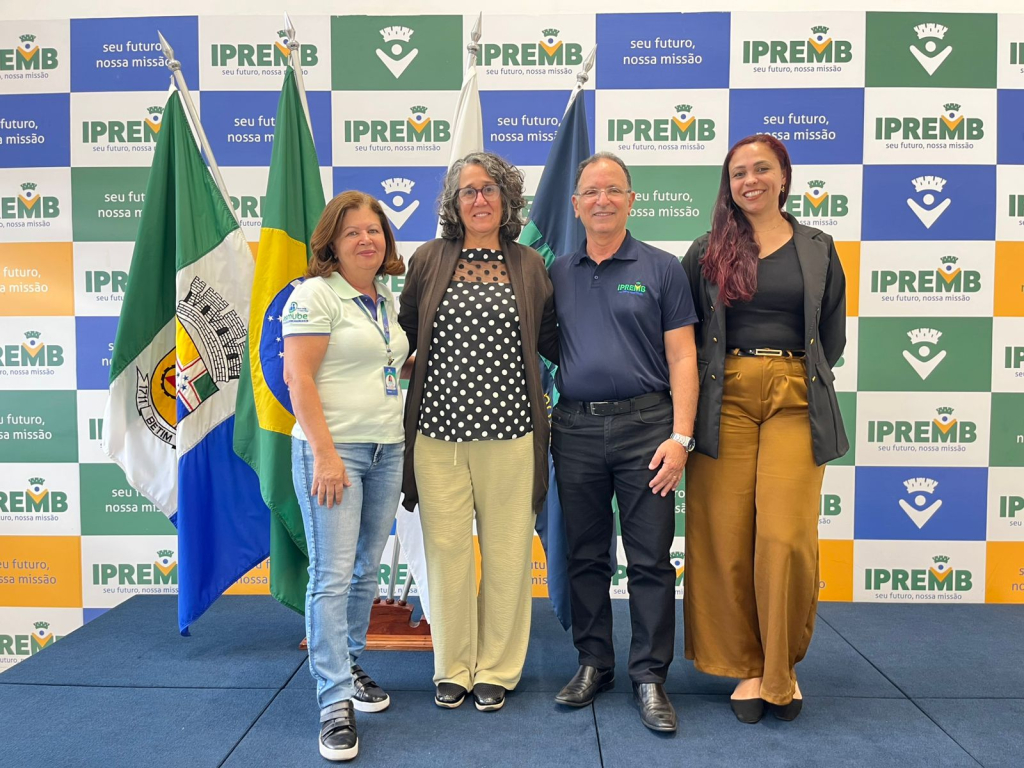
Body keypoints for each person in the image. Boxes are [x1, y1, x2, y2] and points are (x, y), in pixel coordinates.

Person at [681, 134, 848, 724]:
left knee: (784, 536)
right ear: (728, 186)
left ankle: (781, 669)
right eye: (738, 173)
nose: (749, 180)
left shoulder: (819, 247)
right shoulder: (706, 250)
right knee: (723, 536)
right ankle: (746, 666)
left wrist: (789, 372)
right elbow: (686, 337)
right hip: (722, 397)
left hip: (795, 397)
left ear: (783, 177)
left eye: (761, 169)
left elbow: (832, 336)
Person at [398, 151, 559, 713]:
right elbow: (403, 331)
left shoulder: (530, 265)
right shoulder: (428, 259)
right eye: (468, 191)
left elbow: (551, 339)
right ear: (453, 202)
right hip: (436, 435)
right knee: (446, 555)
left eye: (490, 189)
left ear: (507, 199)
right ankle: (452, 667)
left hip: (512, 434)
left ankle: (496, 668)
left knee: (509, 554)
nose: (480, 199)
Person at [549, 152, 699, 733]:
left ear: (632, 199)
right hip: (575, 430)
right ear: (575, 204)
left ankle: (649, 676)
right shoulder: (557, 272)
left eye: (613, 189)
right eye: (591, 191)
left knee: (650, 560)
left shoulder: (662, 268)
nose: (602, 200)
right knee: (585, 555)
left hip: (648, 431)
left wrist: (680, 438)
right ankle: (594, 663)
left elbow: (683, 357)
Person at [283, 191, 409, 762]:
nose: (366, 239)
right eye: (353, 231)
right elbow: (299, 378)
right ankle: (333, 701)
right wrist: (326, 455)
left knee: (364, 570)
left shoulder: (383, 298)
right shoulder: (314, 294)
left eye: (374, 230)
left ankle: (349, 664)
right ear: (332, 241)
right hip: (334, 453)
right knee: (332, 576)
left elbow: (385, 363)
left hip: (387, 449)